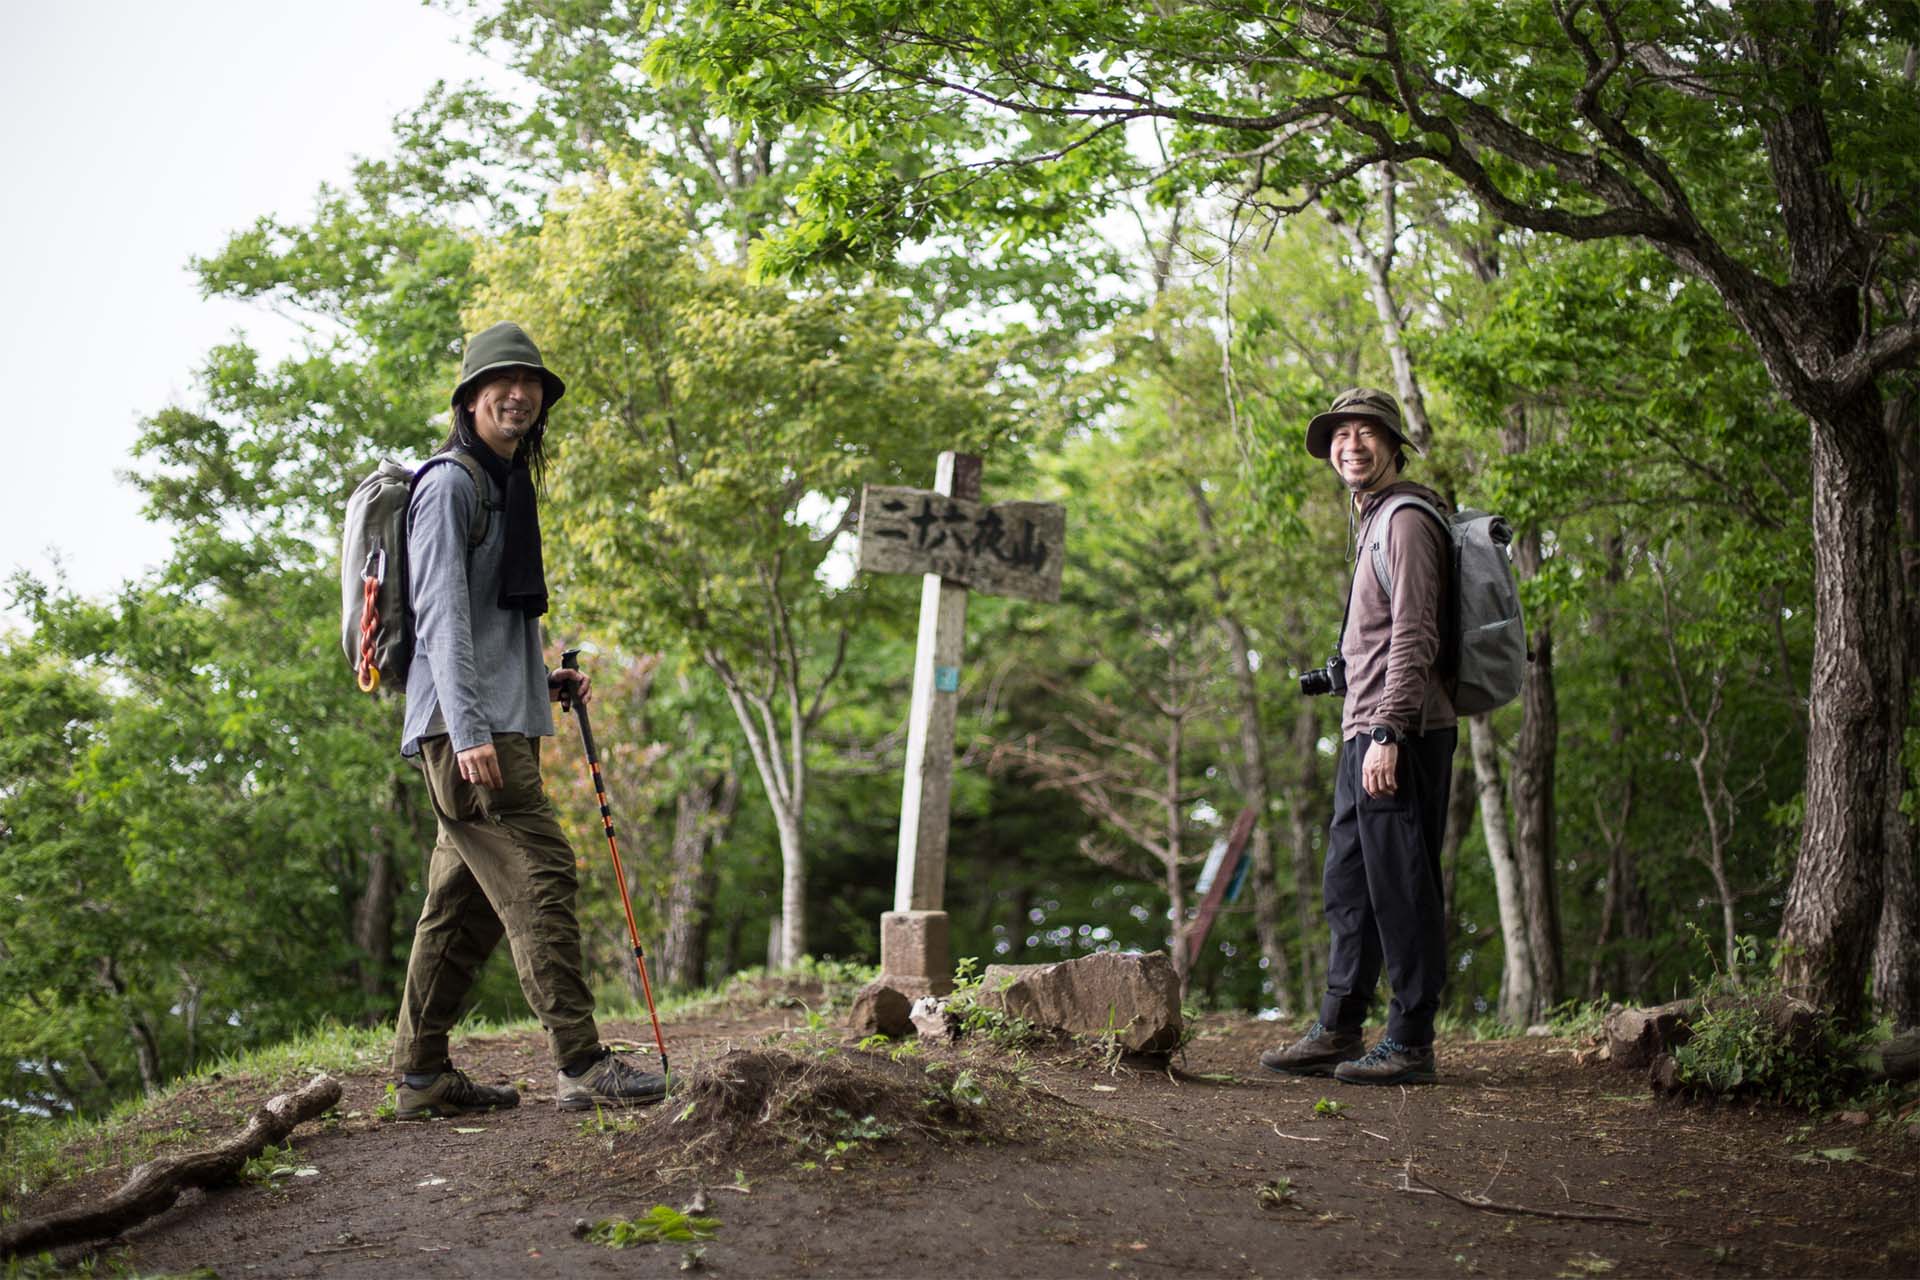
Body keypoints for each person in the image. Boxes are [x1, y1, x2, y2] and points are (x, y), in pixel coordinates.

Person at [390, 320, 667, 1119]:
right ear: (470, 398)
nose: (518, 395)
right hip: (469, 734)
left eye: (531, 384)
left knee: (462, 907)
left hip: (488, 721)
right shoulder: (450, 485)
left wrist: (538, 681)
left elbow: (480, 624)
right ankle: (581, 1064)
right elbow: (441, 617)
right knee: (542, 873)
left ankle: (421, 1077)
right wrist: (471, 729)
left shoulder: (504, 484)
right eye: (501, 383)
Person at [1261, 386, 1457, 1086]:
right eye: (1340, 435)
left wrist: (1388, 730)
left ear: (1394, 446)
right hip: (1364, 731)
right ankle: (1339, 1026)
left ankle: (1410, 1040)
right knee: (1349, 885)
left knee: (1402, 886)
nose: (1351, 445)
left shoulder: (1404, 520)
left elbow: (1416, 632)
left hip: (1399, 733)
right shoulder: (1372, 519)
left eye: (1366, 432)